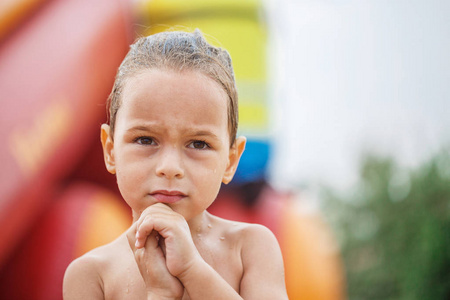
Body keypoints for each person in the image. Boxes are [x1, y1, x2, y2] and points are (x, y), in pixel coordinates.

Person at [63, 29, 288, 300]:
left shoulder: (250, 248)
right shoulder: (93, 274)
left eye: (198, 144)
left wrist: (192, 270)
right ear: (110, 150)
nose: (170, 167)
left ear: (231, 160)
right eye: (145, 139)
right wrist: (161, 294)